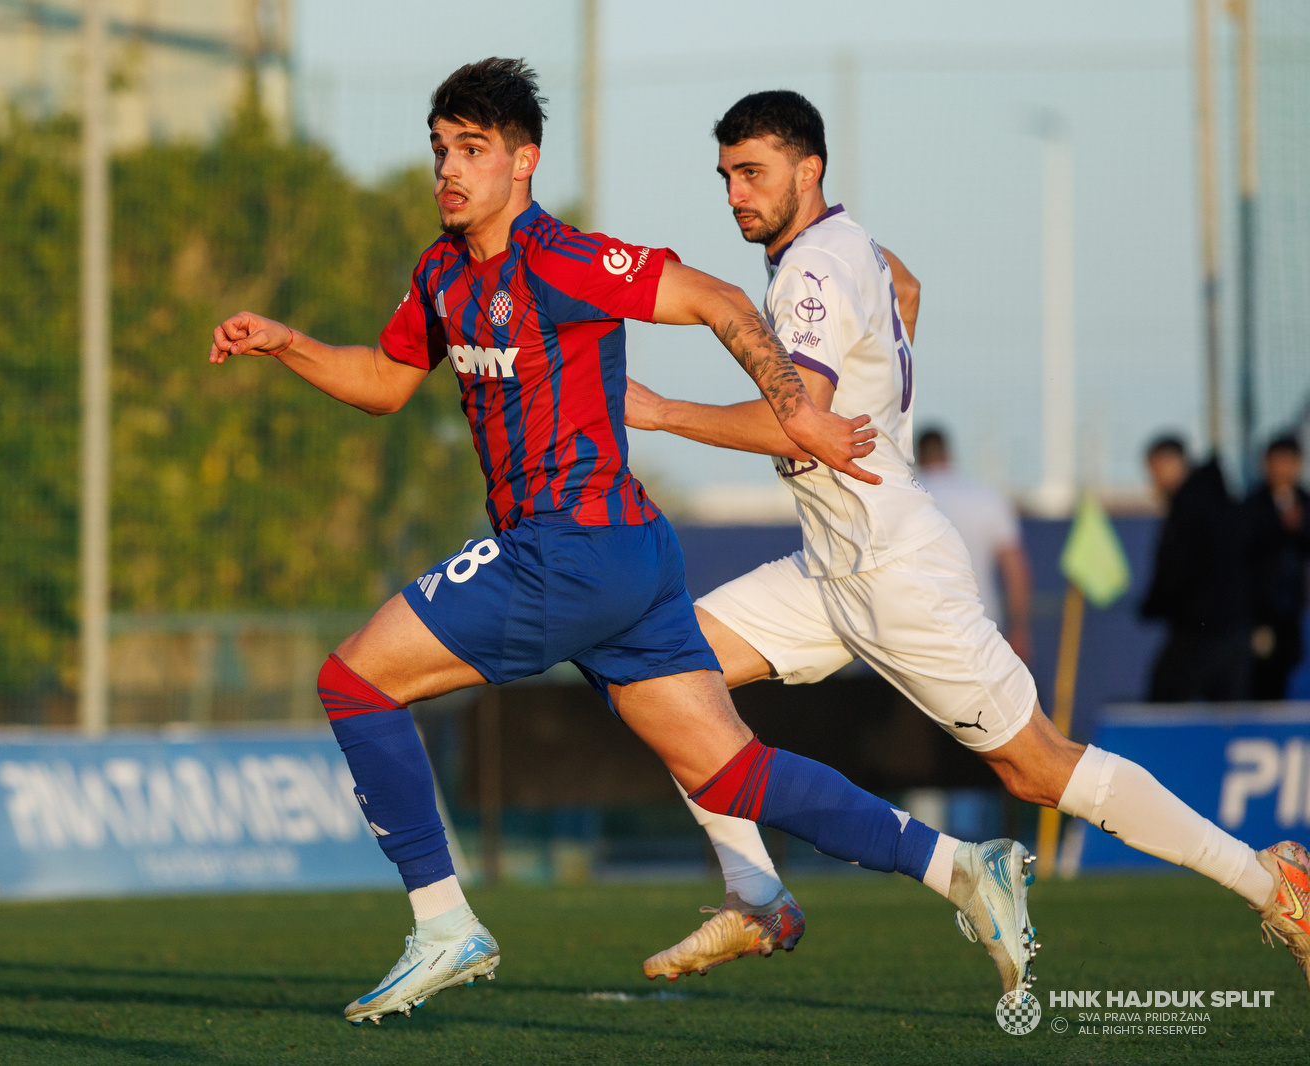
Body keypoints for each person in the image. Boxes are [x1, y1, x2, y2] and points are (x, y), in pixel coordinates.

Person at [208, 60, 1031, 1024]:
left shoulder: (563, 258)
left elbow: (722, 300)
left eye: (473, 150)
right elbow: (386, 380)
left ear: (525, 162)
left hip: (571, 548)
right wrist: (286, 343)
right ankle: (960, 869)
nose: (450, 170)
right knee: (727, 769)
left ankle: (443, 923)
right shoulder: (441, 273)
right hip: (631, 558)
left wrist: (797, 415)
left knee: (354, 681)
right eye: (441, 149)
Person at [624, 89, 1310, 989]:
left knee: (1039, 768)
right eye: (725, 177)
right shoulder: (844, 247)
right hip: (831, 567)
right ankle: (757, 897)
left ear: (809, 168)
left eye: (751, 173)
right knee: (658, 672)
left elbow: (803, 418)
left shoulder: (814, 269)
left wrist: (660, 412)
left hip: (895, 569)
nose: (734, 195)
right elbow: (907, 289)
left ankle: (1273, 882)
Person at [1140, 435, 1253, 701]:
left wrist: (1154, 604)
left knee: (1167, 700)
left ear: (1168, 463)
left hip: (1203, 629)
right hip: (1230, 627)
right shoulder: (1216, 497)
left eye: (1154, 470)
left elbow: (1180, 569)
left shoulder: (1190, 505)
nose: (1152, 480)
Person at [916, 427, 1033, 663]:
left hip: (919, 633)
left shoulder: (907, 496)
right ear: (948, 454)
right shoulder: (987, 497)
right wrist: (1020, 629)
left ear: (919, 456)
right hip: (981, 628)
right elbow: (1015, 569)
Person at [1244, 434, 1310, 700]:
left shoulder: (1305, 503)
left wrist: (1298, 529)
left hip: (1292, 608)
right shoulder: (1252, 506)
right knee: (1261, 674)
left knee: (1288, 664)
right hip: (1260, 611)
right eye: (1276, 462)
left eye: (1289, 462)